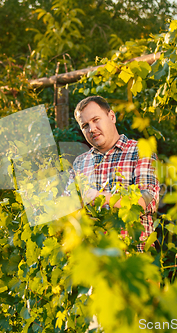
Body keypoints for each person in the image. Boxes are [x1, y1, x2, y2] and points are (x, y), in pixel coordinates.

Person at [71, 96, 160, 251]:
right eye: (85, 125)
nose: (91, 129)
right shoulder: (80, 162)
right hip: (93, 263)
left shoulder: (140, 151)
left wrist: (102, 198)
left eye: (96, 119)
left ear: (112, 116)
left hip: (133, 261)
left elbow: (148, 200)